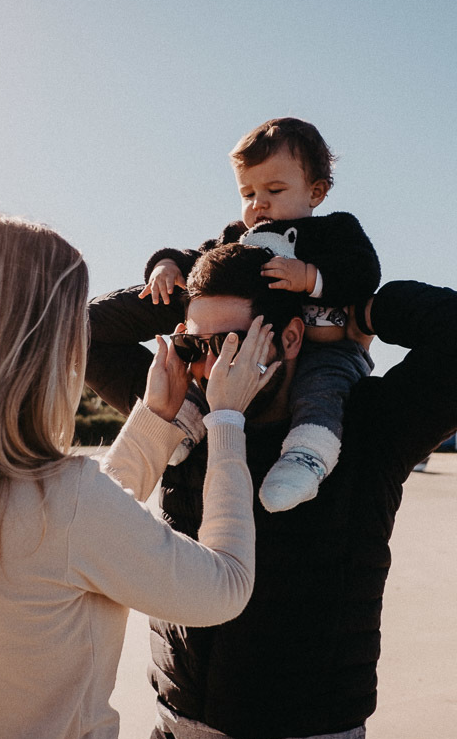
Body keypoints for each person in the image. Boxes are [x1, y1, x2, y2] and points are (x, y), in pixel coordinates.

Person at [0, 213, 281, 739]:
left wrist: (157, 420)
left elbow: (64, 540)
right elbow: (224, 586)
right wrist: (227, 420)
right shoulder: (67, 502)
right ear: (41, 347)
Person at [86, 244, 457, 739]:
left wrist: (359, 309)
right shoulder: (182, 411)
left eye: (229, 344)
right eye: (196, 345)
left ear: (289, 337)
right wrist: (181, 291)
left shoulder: (366, 428)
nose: (210, 368)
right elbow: (86, 331)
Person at [140, 117, 380, 512]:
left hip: (330, 350)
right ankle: (183, 425)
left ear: (316, 192)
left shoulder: (334, 232)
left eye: (275, 190)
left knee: (322, 393)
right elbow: (200, 261)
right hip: (266, 344)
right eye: (247, 192)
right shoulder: (239, 238)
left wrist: (311, 277)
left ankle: (306, 456)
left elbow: (364, 272)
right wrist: (165, 264)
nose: (259, 203)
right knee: (212, 363)